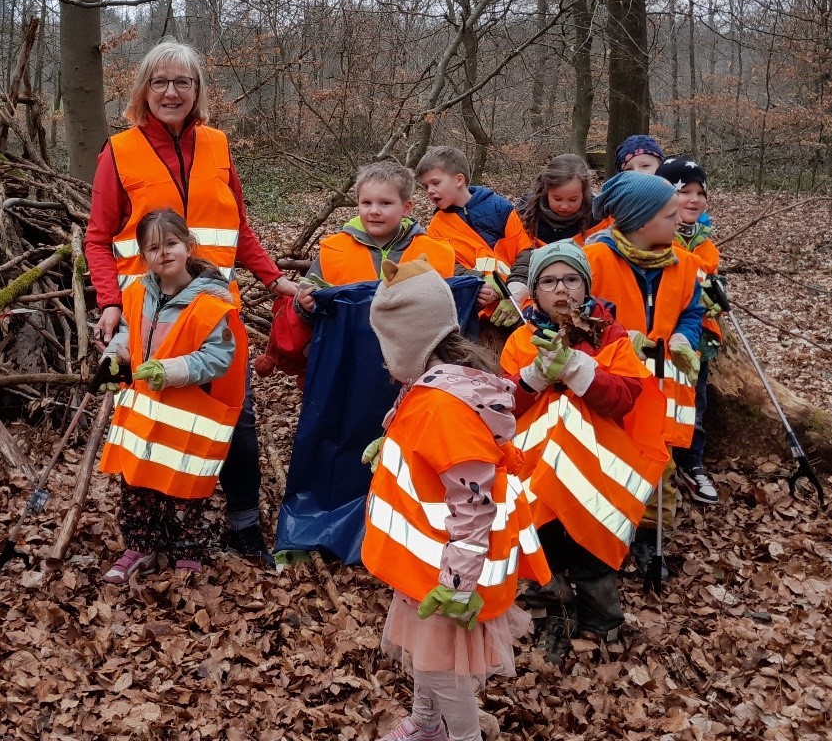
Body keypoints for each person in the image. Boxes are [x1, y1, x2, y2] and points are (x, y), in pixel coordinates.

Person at [85, 41, 299, 562]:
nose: (171, 92)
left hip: (213, 310)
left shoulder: (219, 147)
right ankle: (154, 536)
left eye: (183, 82)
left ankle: (242, 525)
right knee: (156, 422)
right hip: (150, 317)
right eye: (160, 81)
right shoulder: (119, 151)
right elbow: (96, 236)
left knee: (236, 420)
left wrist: (274, 281)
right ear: (143, 90)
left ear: (198, 91)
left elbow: (238, 228)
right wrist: (110, 302)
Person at [361, 258, 548, 741]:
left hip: (449, 567)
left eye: (386, 345)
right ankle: (425, 724)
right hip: (428, 562)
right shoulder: (436, 385)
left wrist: (459, 582)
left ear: (408, 341)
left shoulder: (443, 407)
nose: (383, 358)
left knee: (444, 665)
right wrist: (392, 446)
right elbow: (436, 455)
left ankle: (464, 740)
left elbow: (473, 499)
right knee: (428, 652)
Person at [498, 243, 668, 663]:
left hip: (594, 472)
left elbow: (626, 396)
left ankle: (603, 622)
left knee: (592, 547)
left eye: (571, 280)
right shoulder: (522, 339)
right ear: (534, 291)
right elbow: (503, 403)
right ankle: (550, 615)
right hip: (536, 471)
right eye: (550, 281)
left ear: (586, 287)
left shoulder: (609, 335)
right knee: (543, 543)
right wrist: (534, 376)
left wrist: (577, 368)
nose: (562, 291)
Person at [97, 209, 247, 582]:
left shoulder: (211, 302)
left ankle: (187, 550)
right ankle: (140, 546)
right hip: (143, 417)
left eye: (171, 244)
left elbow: (218, 357)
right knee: (136, 485)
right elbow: (129, 335)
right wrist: (114, 358)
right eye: (152, 248)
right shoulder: (137, 294)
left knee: (185, 488)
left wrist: (171, 371)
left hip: (187, 417)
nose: (163, 253)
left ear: (188, 246)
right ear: (143, 255)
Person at [585, 172, 706, 575]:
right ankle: (604, 532)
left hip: (663, 383)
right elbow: (576, 315)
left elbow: (692, 311)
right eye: (671, 215)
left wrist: (686, 339)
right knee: (613, 460)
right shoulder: (593, 260)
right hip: (613, 384)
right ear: (640, 222)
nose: (680, 221)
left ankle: (648, 537)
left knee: (660, 463)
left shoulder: (685, 263)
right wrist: (618, 336)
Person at [296, 160, 458, 311]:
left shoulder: (436, 252)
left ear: (406, 208)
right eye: (366, 203)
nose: (374, 211)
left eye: (385, 203)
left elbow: (453, 305)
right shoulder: (333, 249)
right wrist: (304, 304)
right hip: (349, 340)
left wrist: (479, 296)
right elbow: (305, 295)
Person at [657, 156, 722, 506]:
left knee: (695, 399)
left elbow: (710, 277)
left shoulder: (704, 240)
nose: (694, 200)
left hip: (697, 337)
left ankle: (691, 461)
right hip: (661, 335)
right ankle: (660, 462)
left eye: (700, 193)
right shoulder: (657, 236)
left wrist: (714, 292)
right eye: (685, 192)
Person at [416, 147, 533, 328]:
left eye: (435, 183)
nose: (430, 191)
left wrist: (516, 289)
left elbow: (525, 250)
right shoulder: (436, 227)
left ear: (459, 180)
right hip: (477, 306)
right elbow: (447, 267)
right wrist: (478, 283)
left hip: (520, 297)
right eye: (426, 186)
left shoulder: (499, 207)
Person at [506, 153, 607, 299]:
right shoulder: (524, 214)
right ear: (546, 191)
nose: (564, 206)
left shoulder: (599, 219)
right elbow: (520, 255)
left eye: (573, 199)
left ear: (584, 194)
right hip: (533, 292)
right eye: (557, 199)